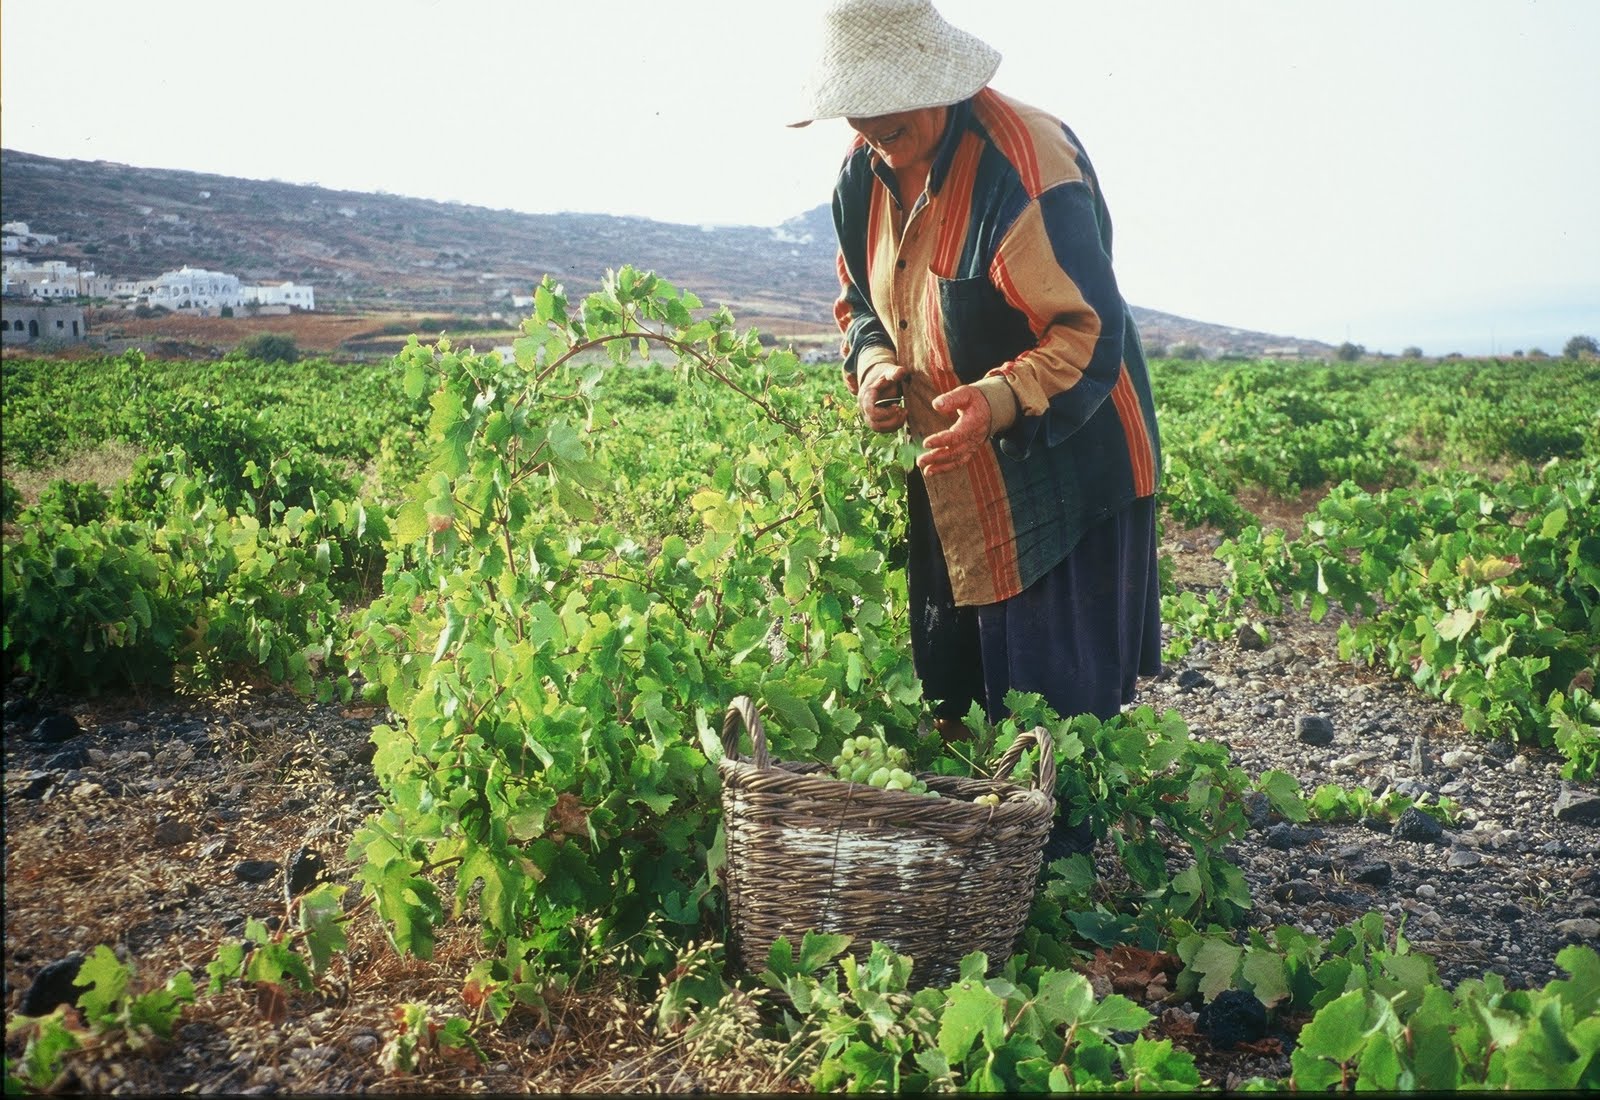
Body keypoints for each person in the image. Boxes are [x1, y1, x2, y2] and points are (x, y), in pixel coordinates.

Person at [791, 0, 1163, 855]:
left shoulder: (1027, 166)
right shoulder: (864, 173)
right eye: (859, 107)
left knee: (1054, 697)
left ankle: (1056, 890)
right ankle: (982, 867)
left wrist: (996, 399)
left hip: (1065, 457)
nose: (874, 125)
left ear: (939, 79)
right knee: (957, 684)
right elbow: (858, 303)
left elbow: (1083, 332)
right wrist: (877, 367)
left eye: (889, 103)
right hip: (953, 463)